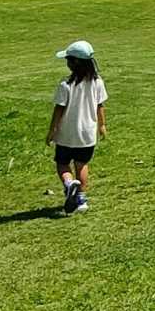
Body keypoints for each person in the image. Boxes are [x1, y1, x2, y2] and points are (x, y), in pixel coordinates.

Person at [45, 39, 108, 215]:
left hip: (67, 134)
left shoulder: (65, 85)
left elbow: (59, 109)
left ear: (74, 63)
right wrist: (102, 125)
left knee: (63, 164)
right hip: (87, 134)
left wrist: (52, 130)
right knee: (82, 164)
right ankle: (80, 198)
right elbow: (99, 106)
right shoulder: (97, 83)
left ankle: (68, 184)